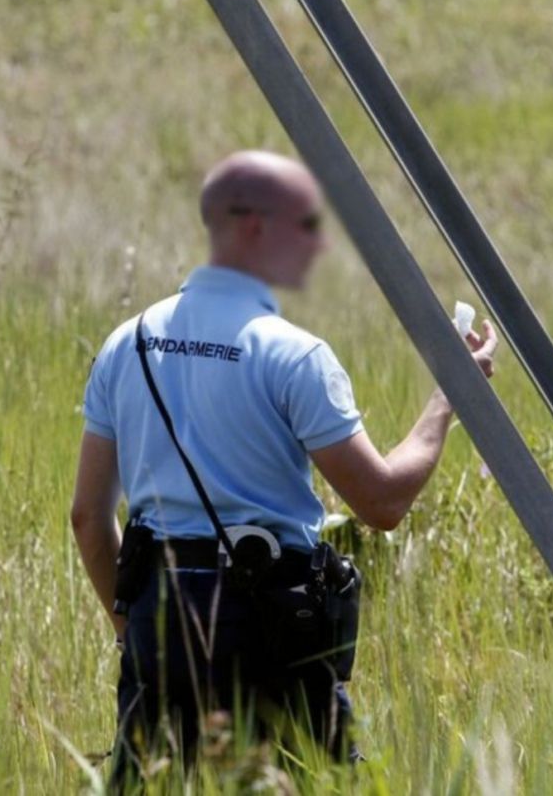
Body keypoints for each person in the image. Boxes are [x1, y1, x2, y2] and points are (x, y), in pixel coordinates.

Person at [69, 150, 498, 785]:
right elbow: (380, 504)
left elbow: (86, 517)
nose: (317, 245)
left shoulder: (125, 342)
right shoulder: (296, 357)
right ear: (253, 229)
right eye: (304, 225)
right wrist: (447, 402)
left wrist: (128, 626)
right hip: (271, 623)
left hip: (157, 616)